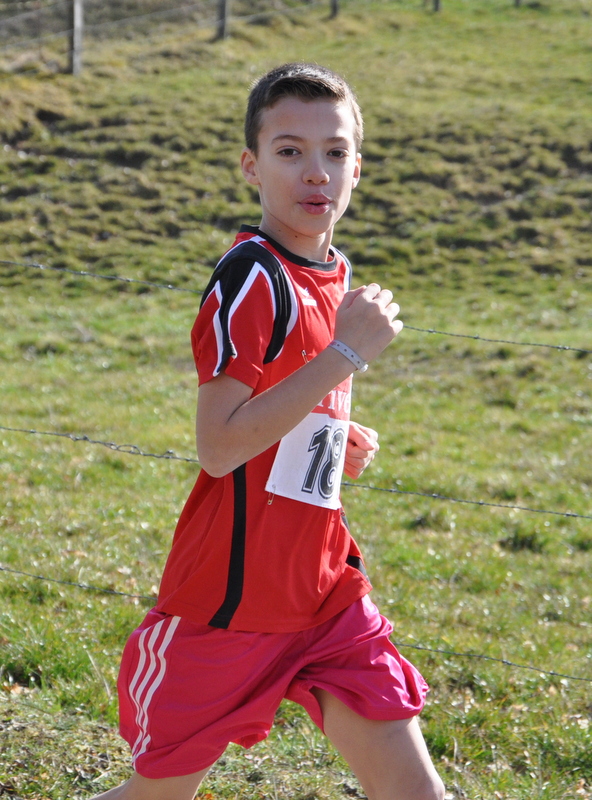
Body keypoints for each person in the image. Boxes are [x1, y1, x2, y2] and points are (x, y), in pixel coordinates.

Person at [91, 63, 445, 800]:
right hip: (231, 606)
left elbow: (282, 406)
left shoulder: (335, 272)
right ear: (251, 166)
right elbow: (221, 446)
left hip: (325, 595)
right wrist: (347, 356)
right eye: (289, 151)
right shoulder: (250, 276)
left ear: (357, 167)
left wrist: (330, 434)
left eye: (335, 152)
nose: (316, 172)